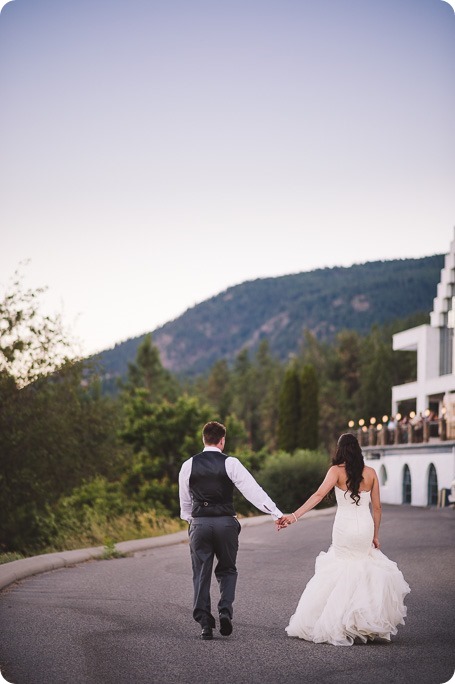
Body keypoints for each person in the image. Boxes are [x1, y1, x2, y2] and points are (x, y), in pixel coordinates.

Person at [279, 432, 410, 646]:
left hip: (344, 527)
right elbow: (377, 507)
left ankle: (339, 623)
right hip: (365, 527)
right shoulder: (371, 473)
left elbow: (318, 495)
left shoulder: (336, 471)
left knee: (342, 567)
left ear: (339, 450)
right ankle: (363, 622)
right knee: (362, 566)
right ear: (358, 449)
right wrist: (376, 535)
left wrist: (294, 516)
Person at [179, 420, 284, 641]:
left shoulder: (188, 465)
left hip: (199, 523)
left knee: (201, 573)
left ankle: (205, 624)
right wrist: (275, 513)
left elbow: (185, 502)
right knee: (227, 569)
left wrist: (192, 521)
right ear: (222, 441)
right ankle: (225, 611)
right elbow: (252, 491)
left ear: (203, 439)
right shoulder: (231, 463)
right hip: (226, 523)